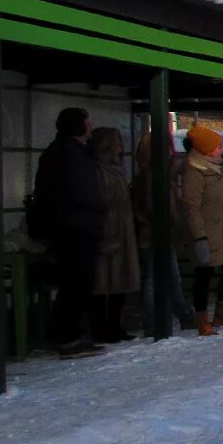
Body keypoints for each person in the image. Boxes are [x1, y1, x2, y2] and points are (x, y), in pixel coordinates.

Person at [31, 106, 105, 358]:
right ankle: (72, 337)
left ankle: (69, 334)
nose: (91, 128)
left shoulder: (59, 153)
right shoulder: (72, 156)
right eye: (88, 123)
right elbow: (81, 193)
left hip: (70, 227)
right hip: (77, 228)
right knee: (77, 282)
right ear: (82, 126)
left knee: (72, 283)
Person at [179, 126, 223, 336]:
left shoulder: (220, 169)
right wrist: (200, 237)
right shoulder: (194, 171)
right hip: (208, 233)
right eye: (217, 146)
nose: (221, 149)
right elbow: (191, 207)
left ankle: (221, 313)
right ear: (206, 149)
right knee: (204, 274)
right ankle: (201, 318)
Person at [131, 128, 196, 337]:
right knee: (158, 278)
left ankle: (181, 314)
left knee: (166, 277)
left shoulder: (155, 174)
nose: (171, 151)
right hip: (155, 234)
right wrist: (169, 221)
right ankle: (165, 318)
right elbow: (152, 207)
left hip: (158, 234)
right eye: (168, 147)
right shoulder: (151, 177)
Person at [87, 127, 139, 343]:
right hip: (109, 233)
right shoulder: (97, 171)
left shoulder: (115, 170)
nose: (120, 147)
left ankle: (114, 325)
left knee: (118, 281)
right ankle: (102, 327)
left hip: (121, 232)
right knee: (102, 282)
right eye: (116, 143)